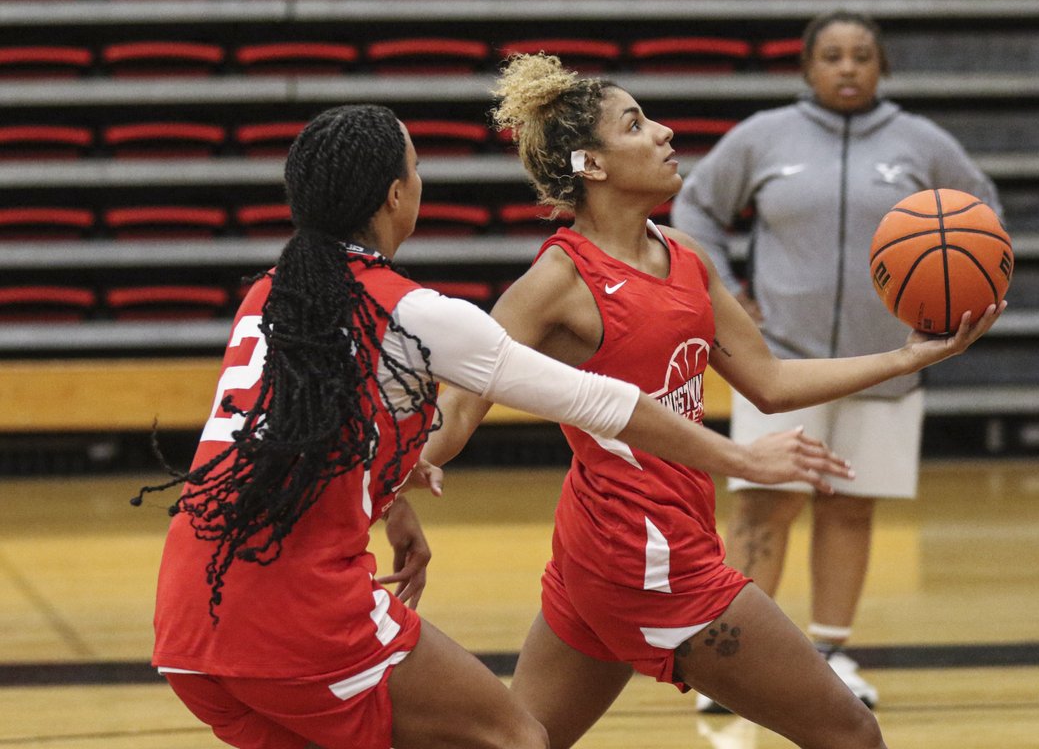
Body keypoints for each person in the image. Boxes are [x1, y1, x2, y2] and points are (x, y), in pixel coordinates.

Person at [132, 104, 836, 749]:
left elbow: (309, 437)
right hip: (297, 610)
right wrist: (745, 459)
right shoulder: (417, 313)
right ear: (395, 197)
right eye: (416, 166)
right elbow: (604, 404)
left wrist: (393, 499)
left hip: (188, 617)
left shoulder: (272, 296)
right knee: (516, 739)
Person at [422, 53, 1003, 749]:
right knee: (850, 734)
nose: (665, 133)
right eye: (637, 124)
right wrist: (389, 476)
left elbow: (771, 382)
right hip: (646, 560)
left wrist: (913, 356)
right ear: (595, 166)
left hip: (609, 554)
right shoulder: (557, 279)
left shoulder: (687, 256)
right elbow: (457, 408)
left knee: (524, 743)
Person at [671, 10, 1002, 711]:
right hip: (779, 365)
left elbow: (984, 220)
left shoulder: (922, 143)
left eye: (860, 55)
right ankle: (734, 660)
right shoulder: (764, 137)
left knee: (850, 508)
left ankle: (830, 652)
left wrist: (951, 301)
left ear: (881, 65)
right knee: (762, 506)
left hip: (887, 362)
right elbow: (695, 210)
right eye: (832, 56)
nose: (847, 67)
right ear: (807, 67)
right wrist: (724, 292)